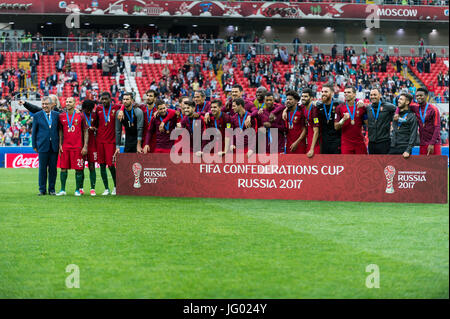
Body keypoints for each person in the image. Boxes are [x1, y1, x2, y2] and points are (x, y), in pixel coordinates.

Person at [56, 97, 88, 196]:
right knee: (63, 168)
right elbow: (60, 130)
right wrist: (60, 144)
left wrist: (85, 146)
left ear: (74, 104)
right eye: (67, 102)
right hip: (65, 146)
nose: (68, 103)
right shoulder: (61, 116)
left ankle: (77, 190)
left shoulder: (80, 115)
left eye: (70, 102)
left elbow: (86, 131)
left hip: (77, 146)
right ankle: (62, 190)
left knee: (78, 169)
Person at [94, 92, 121, 195]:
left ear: (110, 99)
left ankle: (116, 186)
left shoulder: (116, 107)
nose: (104, 101)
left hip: (111, 141)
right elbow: (95, 122)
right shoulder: (99, 109)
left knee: (111, 165)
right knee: (101, 165)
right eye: (102, 99)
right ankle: (106, 188)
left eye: (106, 99)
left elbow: (125, 106)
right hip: (100, 141)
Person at [31, 96, 60, 196]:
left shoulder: (57, 115)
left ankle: (52, 189)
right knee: (42, 169)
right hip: (42, 146)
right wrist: (34, 145)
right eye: (43, 104)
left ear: (52, 105)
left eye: (46, 104)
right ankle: (42, 190)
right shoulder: (37, 115)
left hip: (54, 146)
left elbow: (59, 131)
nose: (44, 106)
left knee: (53, 169)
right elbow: (34, 132)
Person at [334, 86, 368, 155]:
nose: (346, 94)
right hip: (346, 143)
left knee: (363, 164)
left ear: (354, 94)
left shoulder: (361, 107)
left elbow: (367, 123)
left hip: (359, 142)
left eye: (349, 92)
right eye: (345, 92)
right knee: (347, 165)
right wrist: (343, 119)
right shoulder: (339, 107)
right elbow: (336, 127)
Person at [408, 87, 441, 155]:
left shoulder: (433, 109)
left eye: (421, 95)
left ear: (426, 96)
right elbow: (402, 106)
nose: (418, 97)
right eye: (417, 96)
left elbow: (437, 127)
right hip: (422, 143)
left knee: (436, 165)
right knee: (423, 165)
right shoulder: (415, 107)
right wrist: (396, 113)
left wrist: (432, 143)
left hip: (434, 143)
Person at [362, 88, 396, 154]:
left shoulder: (388, 106)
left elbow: (398, 111)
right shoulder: (368, 108)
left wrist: (393, 124)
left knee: (384, 163)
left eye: (375, 95)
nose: (373, 96)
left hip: (384, 142)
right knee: (373, 163)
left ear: (380, 95)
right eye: (371, 95)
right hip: (371, 142)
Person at [389, 93, 418, 158]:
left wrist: (408, 150)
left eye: (401, 99)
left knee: (403, 168)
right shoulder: (395, 114)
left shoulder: (412, 116)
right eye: (399, 99)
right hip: (393, 147)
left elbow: (413, 134)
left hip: (404, 148)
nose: (398, 100)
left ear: (407, 102)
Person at [316, 83, 341, 154]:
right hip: (323, 140)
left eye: (326, 92)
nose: (323, 93)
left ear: (332, 93)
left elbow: (352, 103)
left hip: (336, 140)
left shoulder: (338, 104)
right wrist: (286, 109)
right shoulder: (318, 105)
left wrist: (359, 101)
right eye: (322, 92)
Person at [81, 99, 98, 196]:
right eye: (87, 109)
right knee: (81, 167)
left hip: (92, 144)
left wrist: (94, 128)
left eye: (90, 109)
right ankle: (80, 188)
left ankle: (92, 188)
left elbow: (98, 127)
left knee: (92, 166)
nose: (89, 111)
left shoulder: (94, 115)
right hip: (81, 143)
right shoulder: (80, 115)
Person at [302, 88, 320, 158]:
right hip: (308, 139)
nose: (303, 98)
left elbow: (316, 131)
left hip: (315, 143)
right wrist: (285, 110)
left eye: (306, 96)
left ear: (311, 98)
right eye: (302, 96)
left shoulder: (314, 110)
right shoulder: (304, 107)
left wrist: (312, 149)